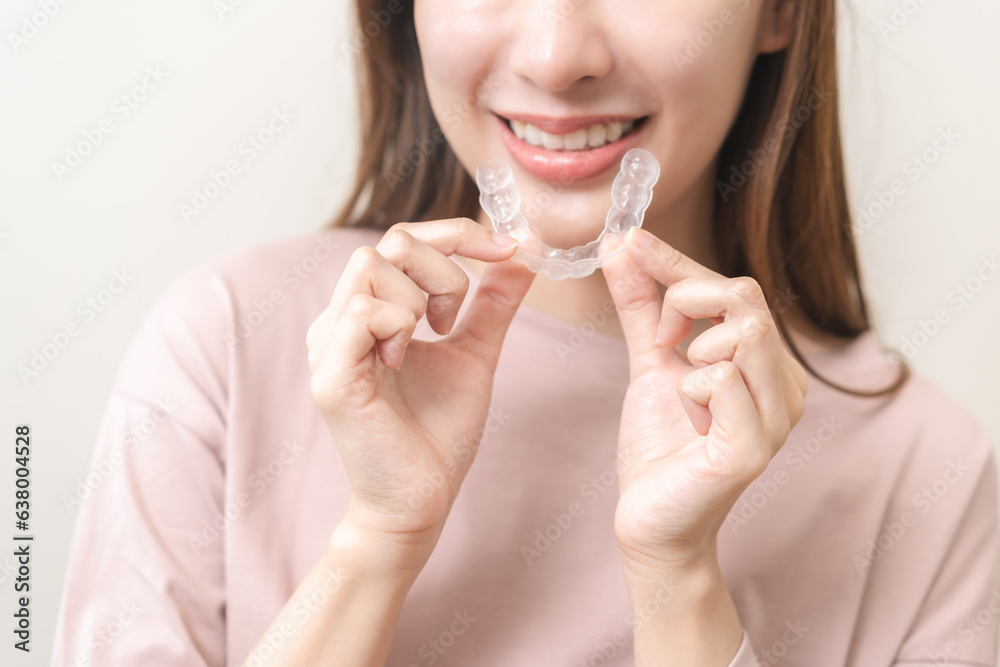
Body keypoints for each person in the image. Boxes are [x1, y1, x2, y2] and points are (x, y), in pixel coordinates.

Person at [51, 0, 1000, 665]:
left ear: (782, 10)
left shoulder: (935, 481)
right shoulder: (223, 346)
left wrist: (678, 589)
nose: (556, 55)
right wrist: (376, 543)